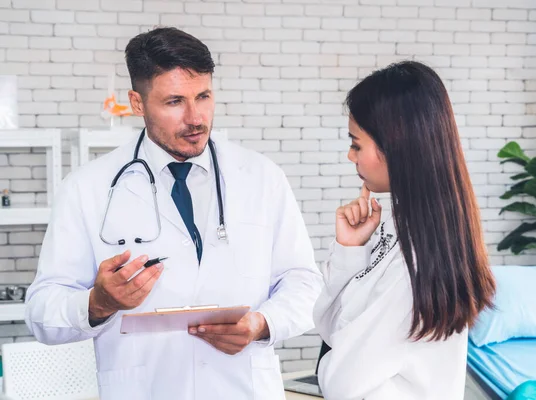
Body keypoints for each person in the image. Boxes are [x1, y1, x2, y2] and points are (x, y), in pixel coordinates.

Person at [25, 27, 322, 400]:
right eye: (174, 102)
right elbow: (41, 312)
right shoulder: (87, 189)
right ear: (137, 103)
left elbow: (304, 282)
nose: (195, 118)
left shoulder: (262, 177)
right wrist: (99, 302)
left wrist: (264, 323)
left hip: (243, 388)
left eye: (204, 96)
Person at [313, 61, 496, 400]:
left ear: (395, 146)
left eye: (356, 143)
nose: (349, 155)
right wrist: (350, 251)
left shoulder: (413, 261)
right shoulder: (400, 233)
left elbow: (340, 381)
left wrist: (332, 361)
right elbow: (327, 328)